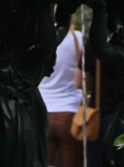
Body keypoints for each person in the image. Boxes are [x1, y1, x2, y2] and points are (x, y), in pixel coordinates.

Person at [38, 24, 84, 167]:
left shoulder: (38, 38)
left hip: (42, 111)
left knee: (44, 162)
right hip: (69, 112)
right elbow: (82, 80)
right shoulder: (77, 38)